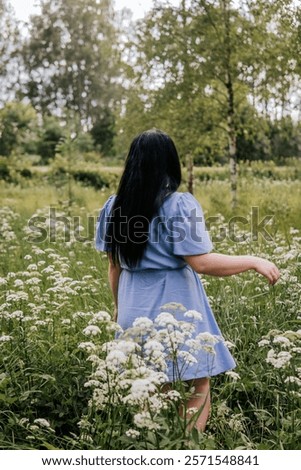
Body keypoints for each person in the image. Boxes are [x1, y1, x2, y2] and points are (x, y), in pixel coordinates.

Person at [95, 129, 280, 432]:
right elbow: (202, 262)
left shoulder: (114, 206)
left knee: (151, 388)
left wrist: (118, 309)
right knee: (197, 384)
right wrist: (253, 261)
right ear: (171, 163)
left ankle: (155, 449)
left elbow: (113, 266)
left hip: (132, 307)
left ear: (132, 163)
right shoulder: (178, 204)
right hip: (175, 308)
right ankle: (186, 450)